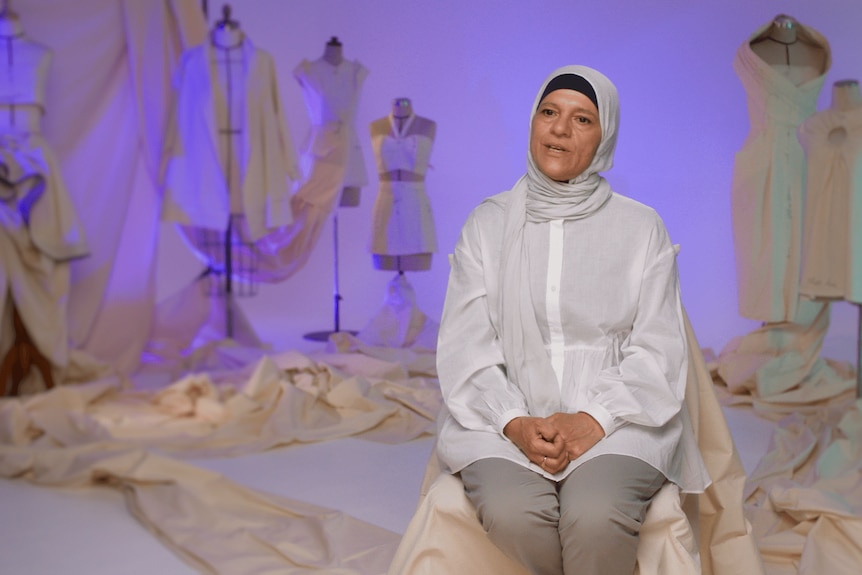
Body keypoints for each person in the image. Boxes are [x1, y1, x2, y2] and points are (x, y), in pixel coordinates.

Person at [435, 65, 709, 575]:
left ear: (605, 137)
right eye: (549, 112)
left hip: (621, 415)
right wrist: (515, 423)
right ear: (533, 122)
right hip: (504, 416)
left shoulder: (639, 227)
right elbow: (465, 346)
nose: (560, 129)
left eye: (582, 118)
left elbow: (657, 350)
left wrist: (593, 420)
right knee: (516, 512)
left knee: (596, 514)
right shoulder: (487, 223)